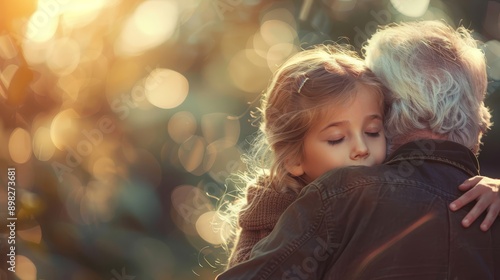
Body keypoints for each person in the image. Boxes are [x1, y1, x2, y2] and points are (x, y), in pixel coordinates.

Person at [217, 20, 500, 279]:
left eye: (371, 131)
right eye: (337, 138)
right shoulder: (289, 200)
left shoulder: (343, 194)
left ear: (391, 111)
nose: (361, 149)